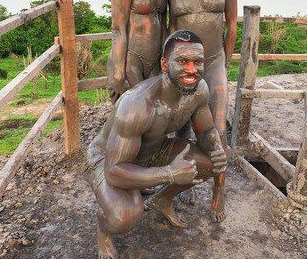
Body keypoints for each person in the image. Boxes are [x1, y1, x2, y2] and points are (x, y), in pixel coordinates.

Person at [86, 30, 228, 259]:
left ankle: (161, 199)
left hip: (155, 149)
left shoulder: (198, 90)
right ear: (164, 63)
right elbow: (114, 172)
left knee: (214, 161)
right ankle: (103, 230)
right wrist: (169, 174)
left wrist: (215, 146)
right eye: (182, 61)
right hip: (107, 159)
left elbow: (207, 131)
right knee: (125, 216)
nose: (192, 70)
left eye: (198, 62)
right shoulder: (137, 105)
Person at [164, 0, 237, 223]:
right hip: (183, 68)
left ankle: (218, 193)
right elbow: (170, 26)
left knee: (216, 131)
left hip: (215, 60)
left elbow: (232, 23)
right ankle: (187, 181)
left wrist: (225, 60)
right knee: (182, 128)